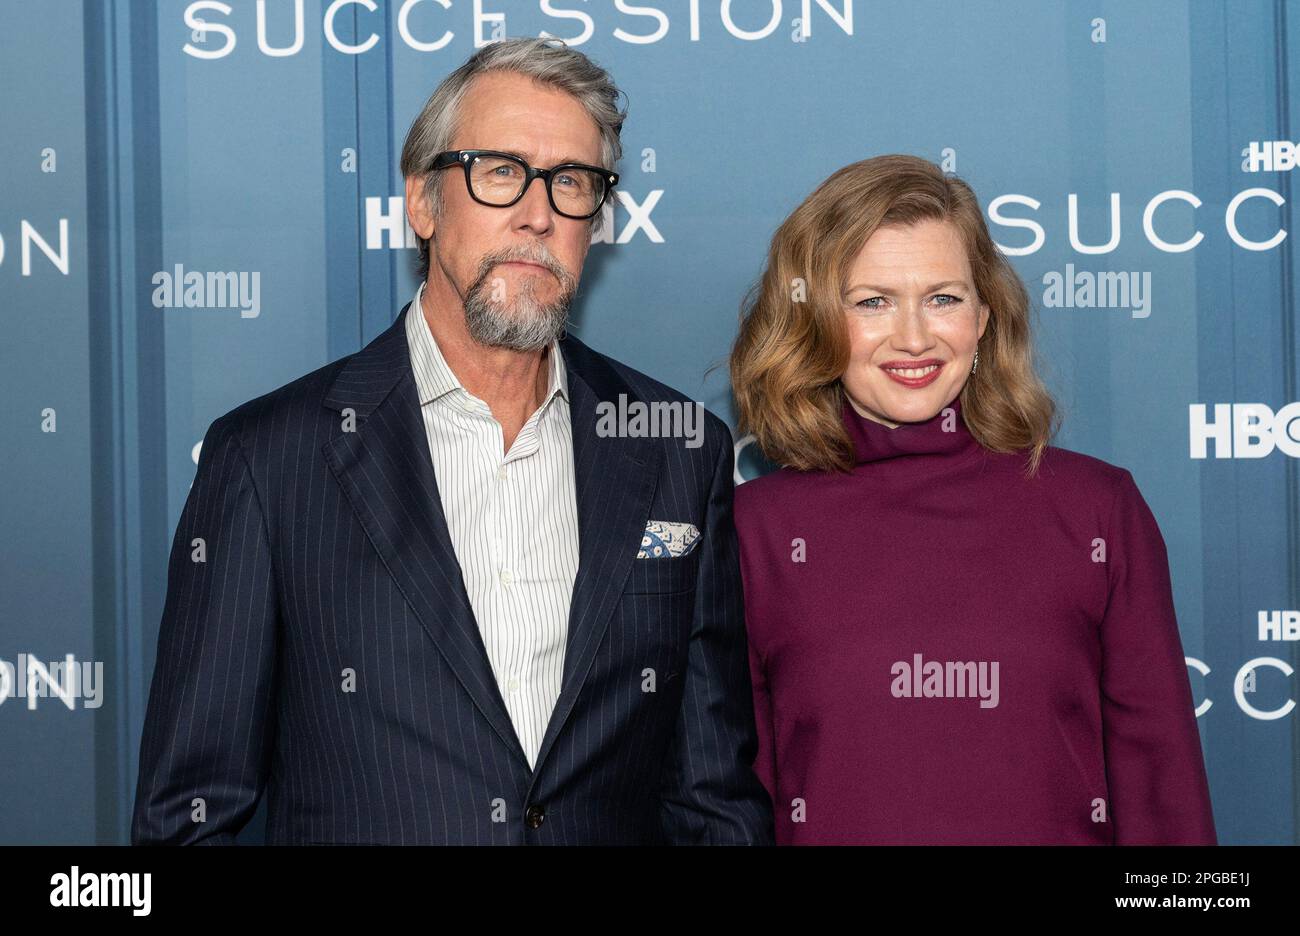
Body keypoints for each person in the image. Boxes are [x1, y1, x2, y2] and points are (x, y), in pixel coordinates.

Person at [132, 38, 772, 845]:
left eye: (572, 182)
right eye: (500, 171)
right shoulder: (269, 460)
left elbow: (711, 798)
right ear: (423, 202)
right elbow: (190, 816)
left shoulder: (678, 449)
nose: (539, 213)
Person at [729, 153, 1216, 844]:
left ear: (985, 317)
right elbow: (734, 803)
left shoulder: (1096, 510)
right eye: (871, 301)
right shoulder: (756, 533)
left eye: (943, 297)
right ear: (814, 322)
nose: (915, 336)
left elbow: (1161, 788)